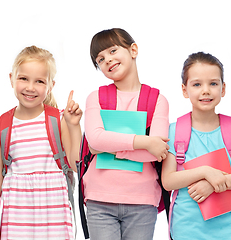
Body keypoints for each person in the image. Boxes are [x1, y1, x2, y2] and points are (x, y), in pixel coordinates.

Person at [0, 45, 82, 240]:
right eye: (23, 79)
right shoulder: (2, 125)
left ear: (50, 86)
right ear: (11, 79)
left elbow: (74, 164)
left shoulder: (58, 119)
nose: (30, 87)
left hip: (54, 213)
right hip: (16, 215)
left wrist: (74, 126)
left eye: (39, 81)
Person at [82, 28, 169, 240]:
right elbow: (94, 139)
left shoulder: (157, 100)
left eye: (113, 51)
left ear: (133, 50)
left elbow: (155, 153)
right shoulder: (96, 97)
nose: (108, 60)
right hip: (99, 198)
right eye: (100, 59)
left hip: (142, 200)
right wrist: (143, 141)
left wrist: (109, 148)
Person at [161, 52, 231, 240]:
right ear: (184, 89)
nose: (206, 90)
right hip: (187, 229)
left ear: (223, 88)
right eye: (197, 84)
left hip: (230, 229)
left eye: (213, 83)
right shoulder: (174, 130)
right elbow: (168, 180)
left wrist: (213, 185)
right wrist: (205, 172)